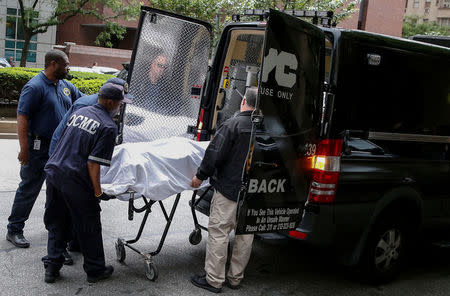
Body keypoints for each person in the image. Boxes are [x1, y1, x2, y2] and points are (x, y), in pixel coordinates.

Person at [42, 82, 132, 283]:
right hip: (76, 180)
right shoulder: (108, 126)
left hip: (55, 173)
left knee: (57, 221)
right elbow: (93, 163)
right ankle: (95, 269)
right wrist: (98, 192)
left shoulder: (80, 112)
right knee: (89, 224)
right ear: (110, 102)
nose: (121, 107)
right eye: (119, 103)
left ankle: (52, 267)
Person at [6, 50, 83, 248]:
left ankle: (56, 230)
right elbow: (22, 118)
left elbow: (83, 101)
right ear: (54, 63)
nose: (68, 67)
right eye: (66, 64)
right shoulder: (35, 87)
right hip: (38, 147)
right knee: (29, 188)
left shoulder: (65, 86)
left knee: (57, 190)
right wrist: (24, 149)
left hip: (59, 147)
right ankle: (14, 229)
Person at [190, 87, 257, 293]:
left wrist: (199, 176)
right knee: (245, 235)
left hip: (229, 189)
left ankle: (214, 280)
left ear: (243, 101)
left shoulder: (233, 125)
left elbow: (214, 155)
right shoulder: (266, 128)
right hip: (252, 192)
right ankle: (235, 279)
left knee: (219, 232)